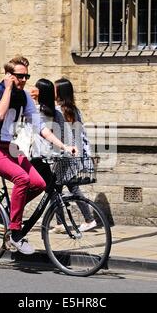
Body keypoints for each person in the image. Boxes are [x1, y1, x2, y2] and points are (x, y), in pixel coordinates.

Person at [0, 56, 77, 255]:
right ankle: (14, 232)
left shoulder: (26, 98)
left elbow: (40, 127)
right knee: (21, 178)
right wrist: (9, 89)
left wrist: (64, 146)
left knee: (39, 183)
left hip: (7, 146)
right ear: (9, 75)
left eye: (26, 76)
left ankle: (9, 216)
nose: (23, 80)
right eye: (19, 76)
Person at [52, 77, 97, 233]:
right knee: (63, 187)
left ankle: (88, 219)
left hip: (66, 155)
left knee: (60, 187)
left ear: (60, 92)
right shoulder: (74, 110)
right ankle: (61, 222)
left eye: (55, 89)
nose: (52, 91)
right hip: (73, 154)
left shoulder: (59, 110)